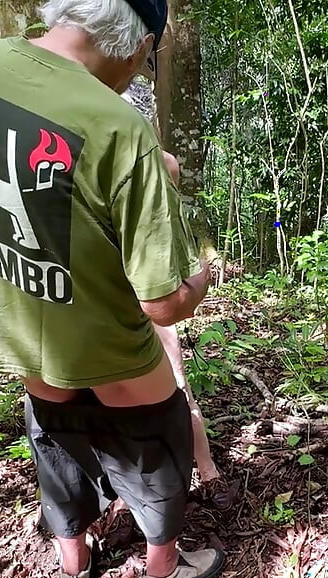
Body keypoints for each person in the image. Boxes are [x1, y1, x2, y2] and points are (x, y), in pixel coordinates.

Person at [0, 0, 224, 578]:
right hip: (101, 327)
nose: (141, 70)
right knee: (156, 431)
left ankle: (75, 562)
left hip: (14, 316)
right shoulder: (120, 124)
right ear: (135, 41)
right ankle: (162, 568)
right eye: (147, 57)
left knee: (55, 425)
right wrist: (202, 277)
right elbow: (162, 304)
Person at [118, 77, 222, 492]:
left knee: (177, 385)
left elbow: (166, 232)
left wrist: (193, 280)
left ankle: (207, 469)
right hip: (115, 293)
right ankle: (129, 497)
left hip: (150, 289)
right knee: (122, 399)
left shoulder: (162, 164)